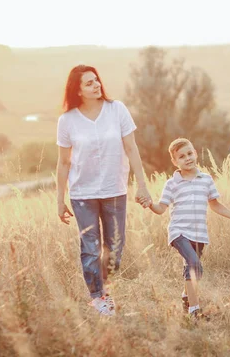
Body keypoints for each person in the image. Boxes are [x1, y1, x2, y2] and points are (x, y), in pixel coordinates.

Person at [56, 64, 151, 316]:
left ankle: (105, 289)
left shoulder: (116, 109)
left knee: (115, 248)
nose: (96, 84)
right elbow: (64, 162)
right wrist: (59, 199)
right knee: (90, 247)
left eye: (96, 80)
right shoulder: (67, 121)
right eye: (89, 82)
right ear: (77, 89)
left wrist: (142, 184)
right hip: (82, 194)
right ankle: (98, 297)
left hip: (114, 190)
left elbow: (131, 148)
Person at [139, 138, 230, 320]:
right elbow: (161, 209)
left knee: (192, 269)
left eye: (190, 153)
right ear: (175, 162)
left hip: (199, 234)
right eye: (182, 156)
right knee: (193, 265)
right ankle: (194, 311)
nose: (188, 158)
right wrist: (150, 204)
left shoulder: (206, 180)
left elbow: (215, 205)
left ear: (196, 153)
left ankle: (186, 297)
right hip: (179, 232)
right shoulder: (172, 184)